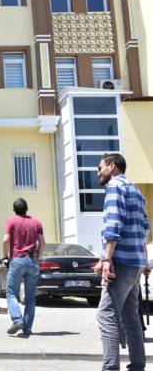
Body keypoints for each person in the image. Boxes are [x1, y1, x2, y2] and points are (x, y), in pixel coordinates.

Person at [94, 153, 150, 370]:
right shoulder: (136, 190)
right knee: (130, 316)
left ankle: (110, 367)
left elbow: (114, 224)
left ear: (112, 166)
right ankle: (137, 365)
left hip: (121, 263)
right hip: (135, 264)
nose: (98, 172)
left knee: (105, 315)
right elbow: (144, 229)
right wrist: (144, 262)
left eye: (101, 168)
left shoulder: (115, 186)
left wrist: (107, 258)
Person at [2, 198, 45, 336]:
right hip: (32, 261)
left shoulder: (12, 221)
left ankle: (17, 320)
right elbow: (42, 243)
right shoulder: (36, 222)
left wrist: (5, 257)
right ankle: (27, 329)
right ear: (27, 208)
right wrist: (37, 257)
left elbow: (5, 240)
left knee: (11, 293)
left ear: (14, 210)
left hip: (17, 260)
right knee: (31, 298)